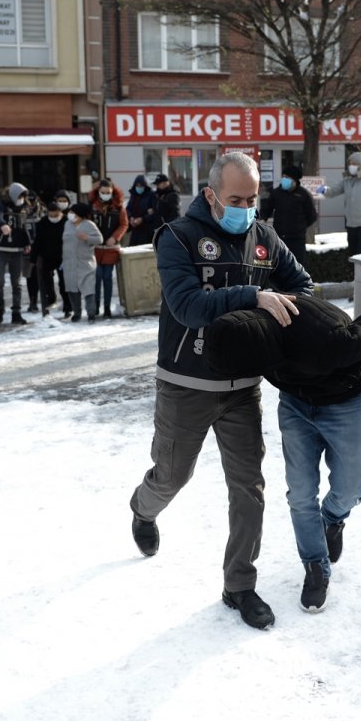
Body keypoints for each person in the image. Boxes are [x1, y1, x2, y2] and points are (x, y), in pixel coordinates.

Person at [127, 151, 313, 631]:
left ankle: (239, 586)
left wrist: (279, 319)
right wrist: (254, 297)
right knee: (172, 476)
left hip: (242, 388)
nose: (247, 207)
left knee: (249, 488)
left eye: (253, 198)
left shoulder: (264, 237)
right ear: (211, 195)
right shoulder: (176, 238)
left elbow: (304, 288)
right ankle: (143, 509)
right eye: (236, 199)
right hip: (185, 385)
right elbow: (187, 307)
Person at [203, 295, 361, 613]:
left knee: (352, 487)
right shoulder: (247, 336)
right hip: (296, 406)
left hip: (347, 401)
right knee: (300, 494)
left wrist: (349, 325)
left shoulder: (327, 338)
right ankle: (316, 568)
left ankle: (334, 518)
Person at [318, 151, 361, 255]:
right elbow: (333, 191)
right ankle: (354, 272)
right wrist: (324, 190)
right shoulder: (347, 182)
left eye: (354, 164)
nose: (351, 166)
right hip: (351, 226)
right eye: (350, 164)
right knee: (353, 257)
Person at [0, 182, 32, 325]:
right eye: (20, 195)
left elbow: (24, 227)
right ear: (12, 194)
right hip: (0, 249)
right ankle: (0, 310)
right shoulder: (0, 204)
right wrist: (3, 225)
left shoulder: (24, 208)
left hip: (17, 251)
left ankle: (16, 313)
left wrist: (27, 243)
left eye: (23, 196)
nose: (21, 198)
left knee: (17, 283)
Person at [260, 164, 318, 266]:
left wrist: (300, 226)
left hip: (297, 239)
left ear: (294, 180)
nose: (284, 179)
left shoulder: (303, 194)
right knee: (279, 265)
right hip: (279, 237)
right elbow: (267, 208)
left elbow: (312, 216)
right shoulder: (277, 193)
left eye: (287, 177)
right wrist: (263, 218)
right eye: (283, 177)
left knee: (297, 265)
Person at [90, 178, 128, 319]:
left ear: (113, 192)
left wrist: (115, 237)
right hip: (96, 247)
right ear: (98, 192)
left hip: (111, 248)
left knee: (107, 277)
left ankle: (107, 308)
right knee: (97, 276)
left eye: (108, 192)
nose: (105, 194)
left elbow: (124, 224)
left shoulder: (118, 207)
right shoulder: (92, 205)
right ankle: (95, 306)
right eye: (103, 192)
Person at [61, 202, 102, 323]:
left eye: (73, 213)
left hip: (85, 263)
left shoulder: (89, 225)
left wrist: (87, 238)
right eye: (70, 212)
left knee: (88, 289)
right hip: (69, 264)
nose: (70, 214)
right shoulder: (67, 224)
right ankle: (76, 313)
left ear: (80, 215)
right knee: (72, 289)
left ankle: (91, 314)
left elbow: (100, 239)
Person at [29, 199, 69, 318]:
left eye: (56, 215)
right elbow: (38, 241)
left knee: (64, 283)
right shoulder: (43, 223)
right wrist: (33, 258)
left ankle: (68, 307)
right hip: (47, 256)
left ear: (60, 213)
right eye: (51, 215)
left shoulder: (67, 222)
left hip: (63, 257)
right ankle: (51, 299)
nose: (54, 217)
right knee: (46, 281)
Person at [22, 189, 46, 313]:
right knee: (30, 276)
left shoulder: (43, 210)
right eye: (28, 199)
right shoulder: (21, 211)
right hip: (27, 249)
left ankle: (45, 300)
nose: (30, 202)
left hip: (41, 248)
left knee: (42, 275)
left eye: (32, 199)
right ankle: (33, 301)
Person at [126, 174, 158, 246]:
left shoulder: (151, 195)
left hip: (147, 230)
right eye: (137, 186)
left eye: (141, 186)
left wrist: (142, 219)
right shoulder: (134, 195)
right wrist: (130, 217)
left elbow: (154, 212)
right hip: (135, 229)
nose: (139, 188)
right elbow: (128, 209)